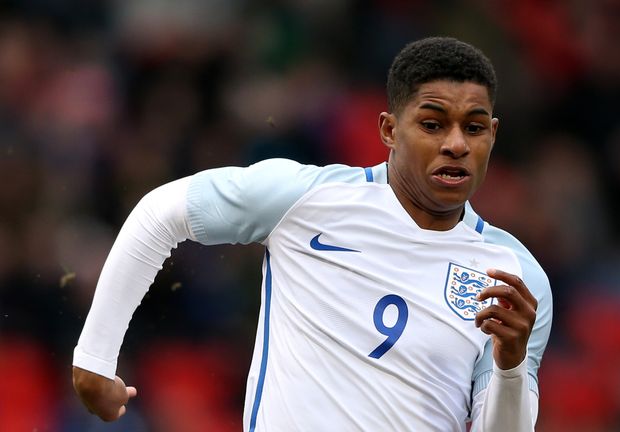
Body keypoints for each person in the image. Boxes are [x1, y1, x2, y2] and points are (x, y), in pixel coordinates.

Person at [72, 36, 553, 431]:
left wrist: (509, 367)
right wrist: (94, 358)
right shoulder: (306, 200)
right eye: (432, 124)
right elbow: (161, 213)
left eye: (473, 129)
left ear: (493, 133)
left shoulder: (515, 277)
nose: (455, 144)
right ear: (389, 130)